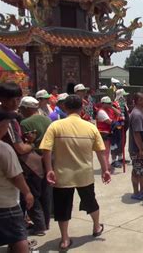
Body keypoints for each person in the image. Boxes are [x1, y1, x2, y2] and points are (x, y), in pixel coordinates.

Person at [39, 95, 111, 250]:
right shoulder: (90, 127)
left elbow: (46, 149)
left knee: (62, 207)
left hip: (62, 175)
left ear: (65, 107)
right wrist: (105, 170)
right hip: (84, 175)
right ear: (82, 108)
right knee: (91, 202)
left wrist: (49, 170)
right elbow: (101, 151)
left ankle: (65, 239)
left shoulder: (55, 126)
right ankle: (96, 227)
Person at [0, 108, 34, 253]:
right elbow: (15, 176)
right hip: (6, 203)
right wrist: (27, 192)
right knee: (19, 237)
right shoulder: (3, 149)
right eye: (7, 125)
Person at [18, 96, 53, 236]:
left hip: (33, 161)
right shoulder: (47, 119)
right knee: (45, 192)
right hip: (49, 158)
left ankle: (39, 226)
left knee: (32, 193)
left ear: (27, 108)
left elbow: (24, 144)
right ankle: (46, 222)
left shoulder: (24, 122)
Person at [128, 93, 143, 201]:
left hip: (142, 148)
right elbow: (136, 133)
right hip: (137, 149)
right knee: (137, 170)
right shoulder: (136, 114)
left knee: (142, 170)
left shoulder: (142, 112)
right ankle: (136, 192)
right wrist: (141, 149)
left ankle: (142, 188)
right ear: (138, 101)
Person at [96, 96, 120, 167]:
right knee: (105, 151)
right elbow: (109, 122)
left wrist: (112, 107)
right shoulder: (101, 111)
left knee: (107, 150)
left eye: (109, 103)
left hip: (109, 132)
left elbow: (118, 113)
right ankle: (105, 166)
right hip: (103, 133)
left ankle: (106, 164)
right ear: (102, 103)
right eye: (107, 103)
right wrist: (118, 124)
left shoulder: (110, 109)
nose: (109, 104)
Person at [111, 88, 130, 167]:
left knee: (122, 143)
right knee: (116, 143)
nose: (125, 98)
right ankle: (114, 160)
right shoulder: (115, 104)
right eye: (124, 96)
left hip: (124, 128)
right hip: (118, 128)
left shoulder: (123, 104)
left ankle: (120, 158)